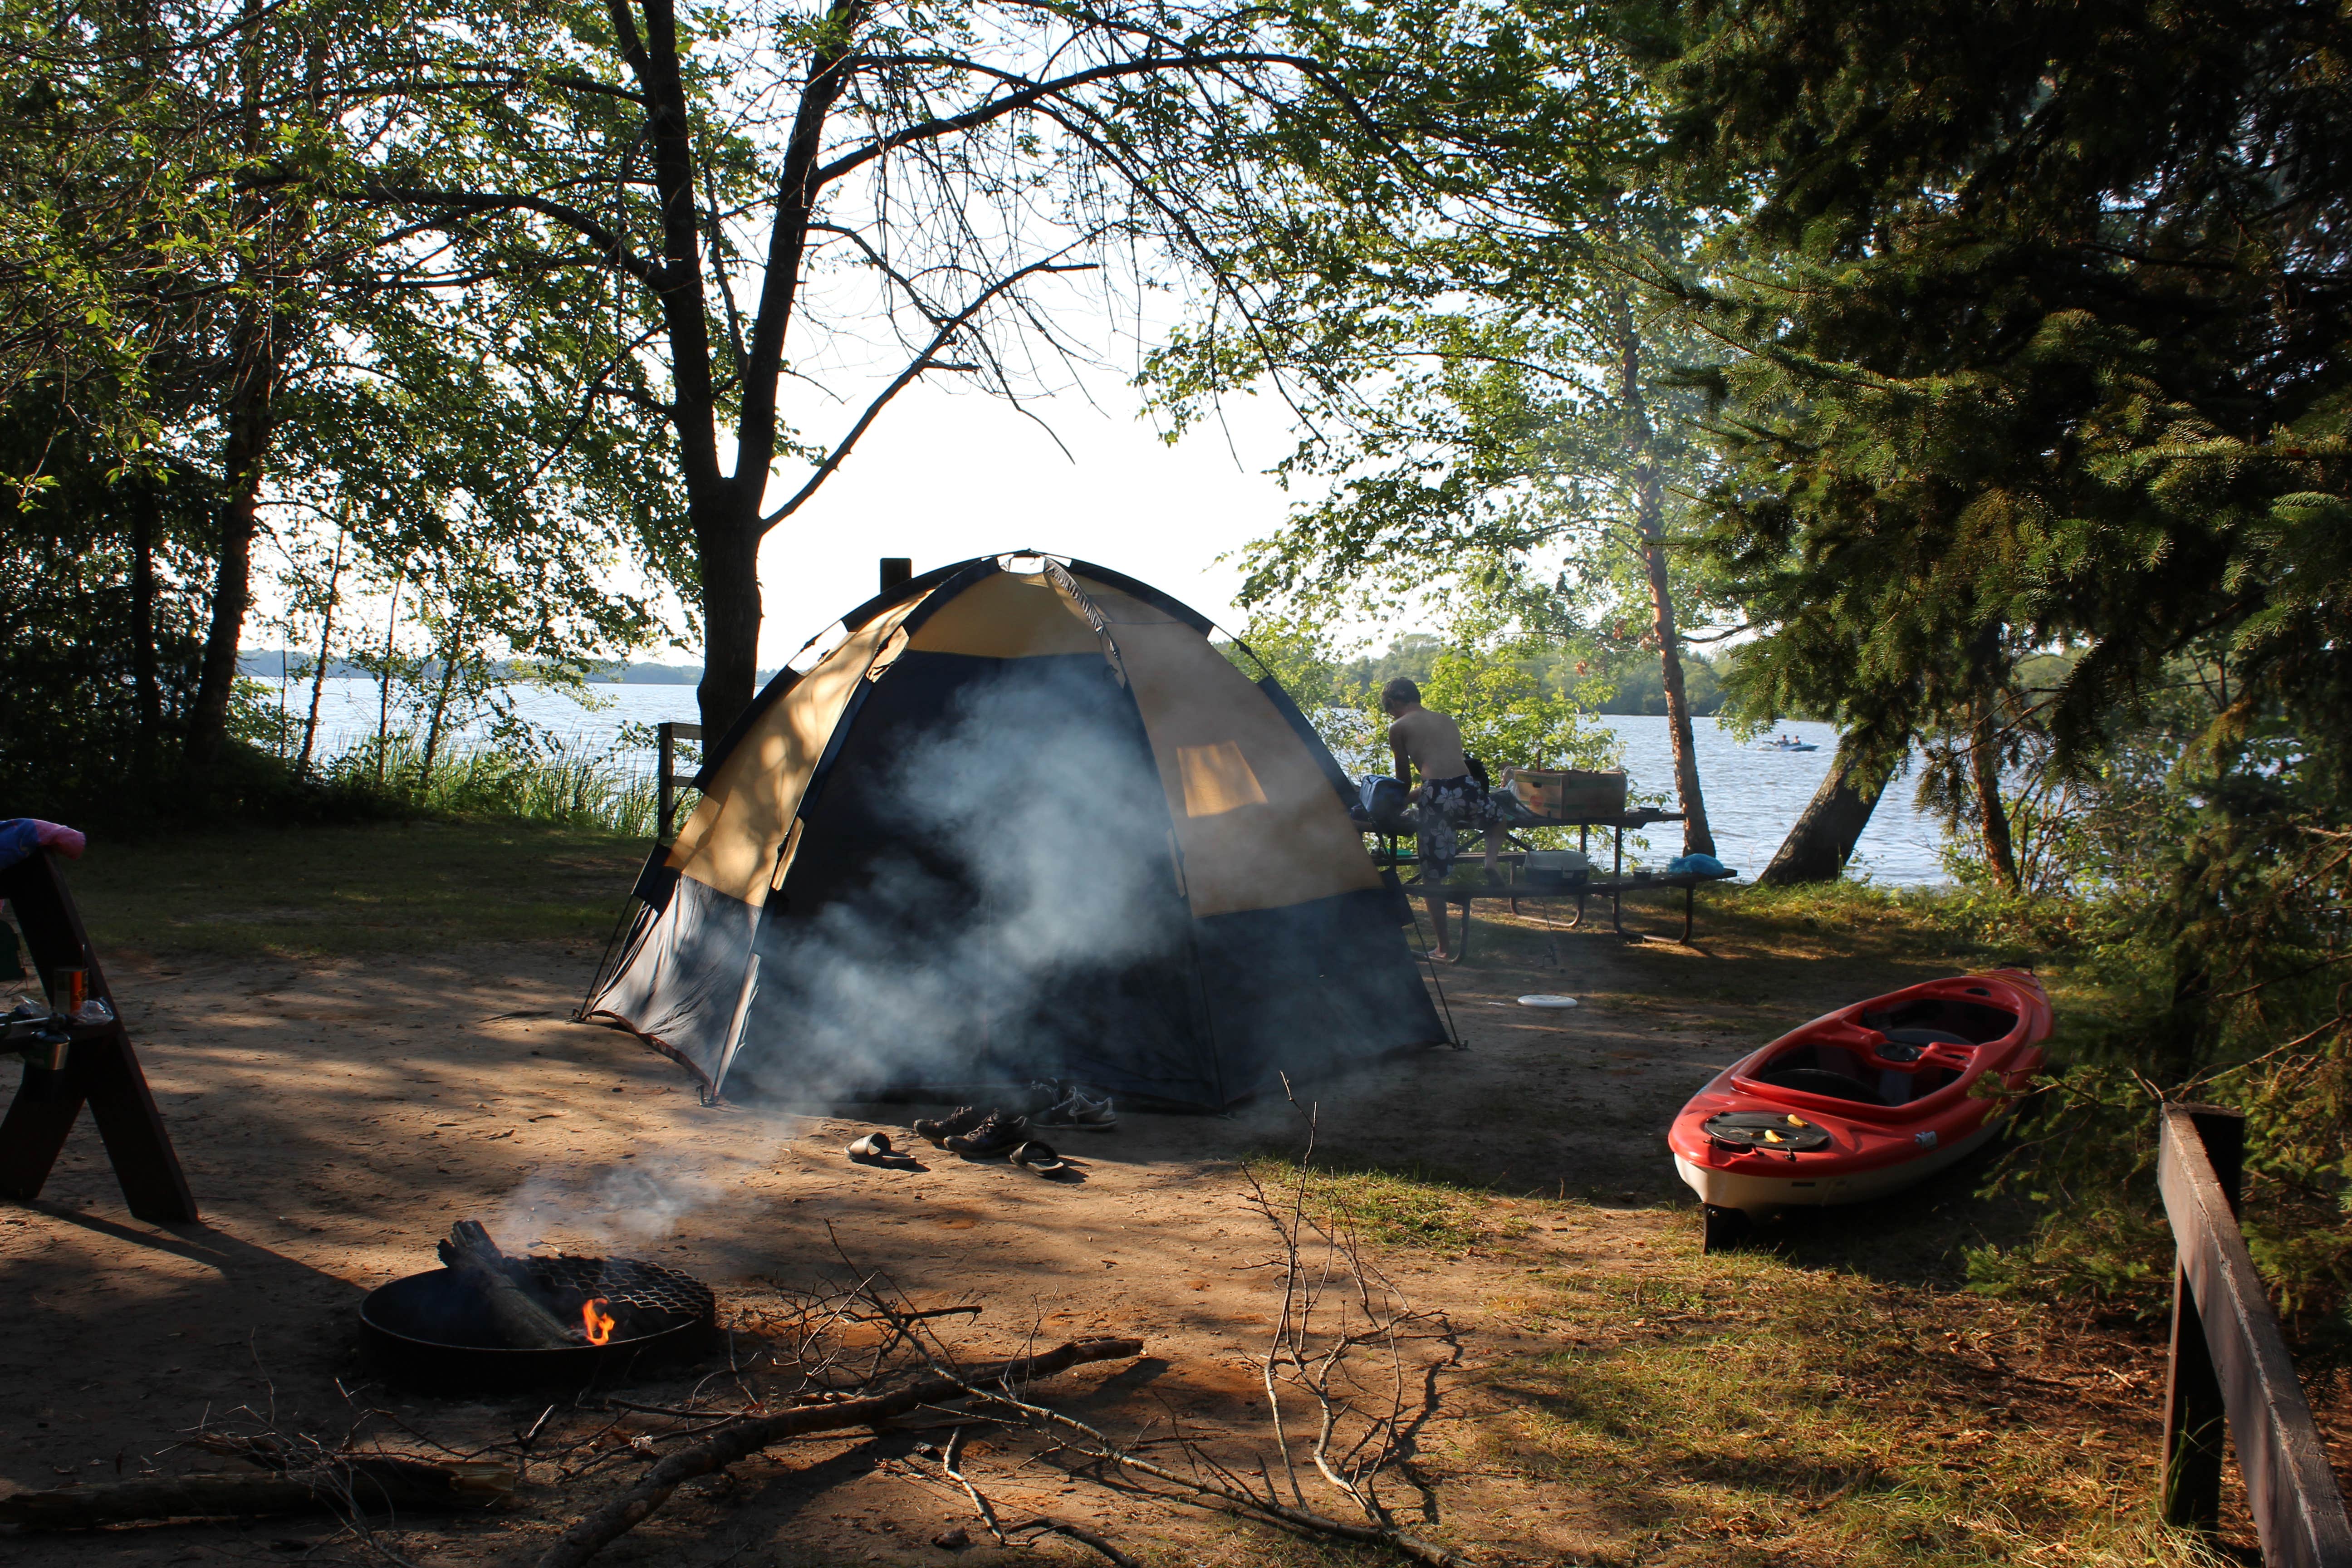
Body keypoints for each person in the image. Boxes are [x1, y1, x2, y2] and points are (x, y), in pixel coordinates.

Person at [1381, 678, 1496, 961]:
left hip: (1435, 794)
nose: (1392, 716)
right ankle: (1490, 862)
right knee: (1497, 818)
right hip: (1466, 786)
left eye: (1390, 710)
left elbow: (1405, 779)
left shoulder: (1398, 727)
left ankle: (1444, 949)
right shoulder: (1446, 720)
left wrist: (1395, 802)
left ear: (1395, 703)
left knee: (1433, 877)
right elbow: (1450, 773)